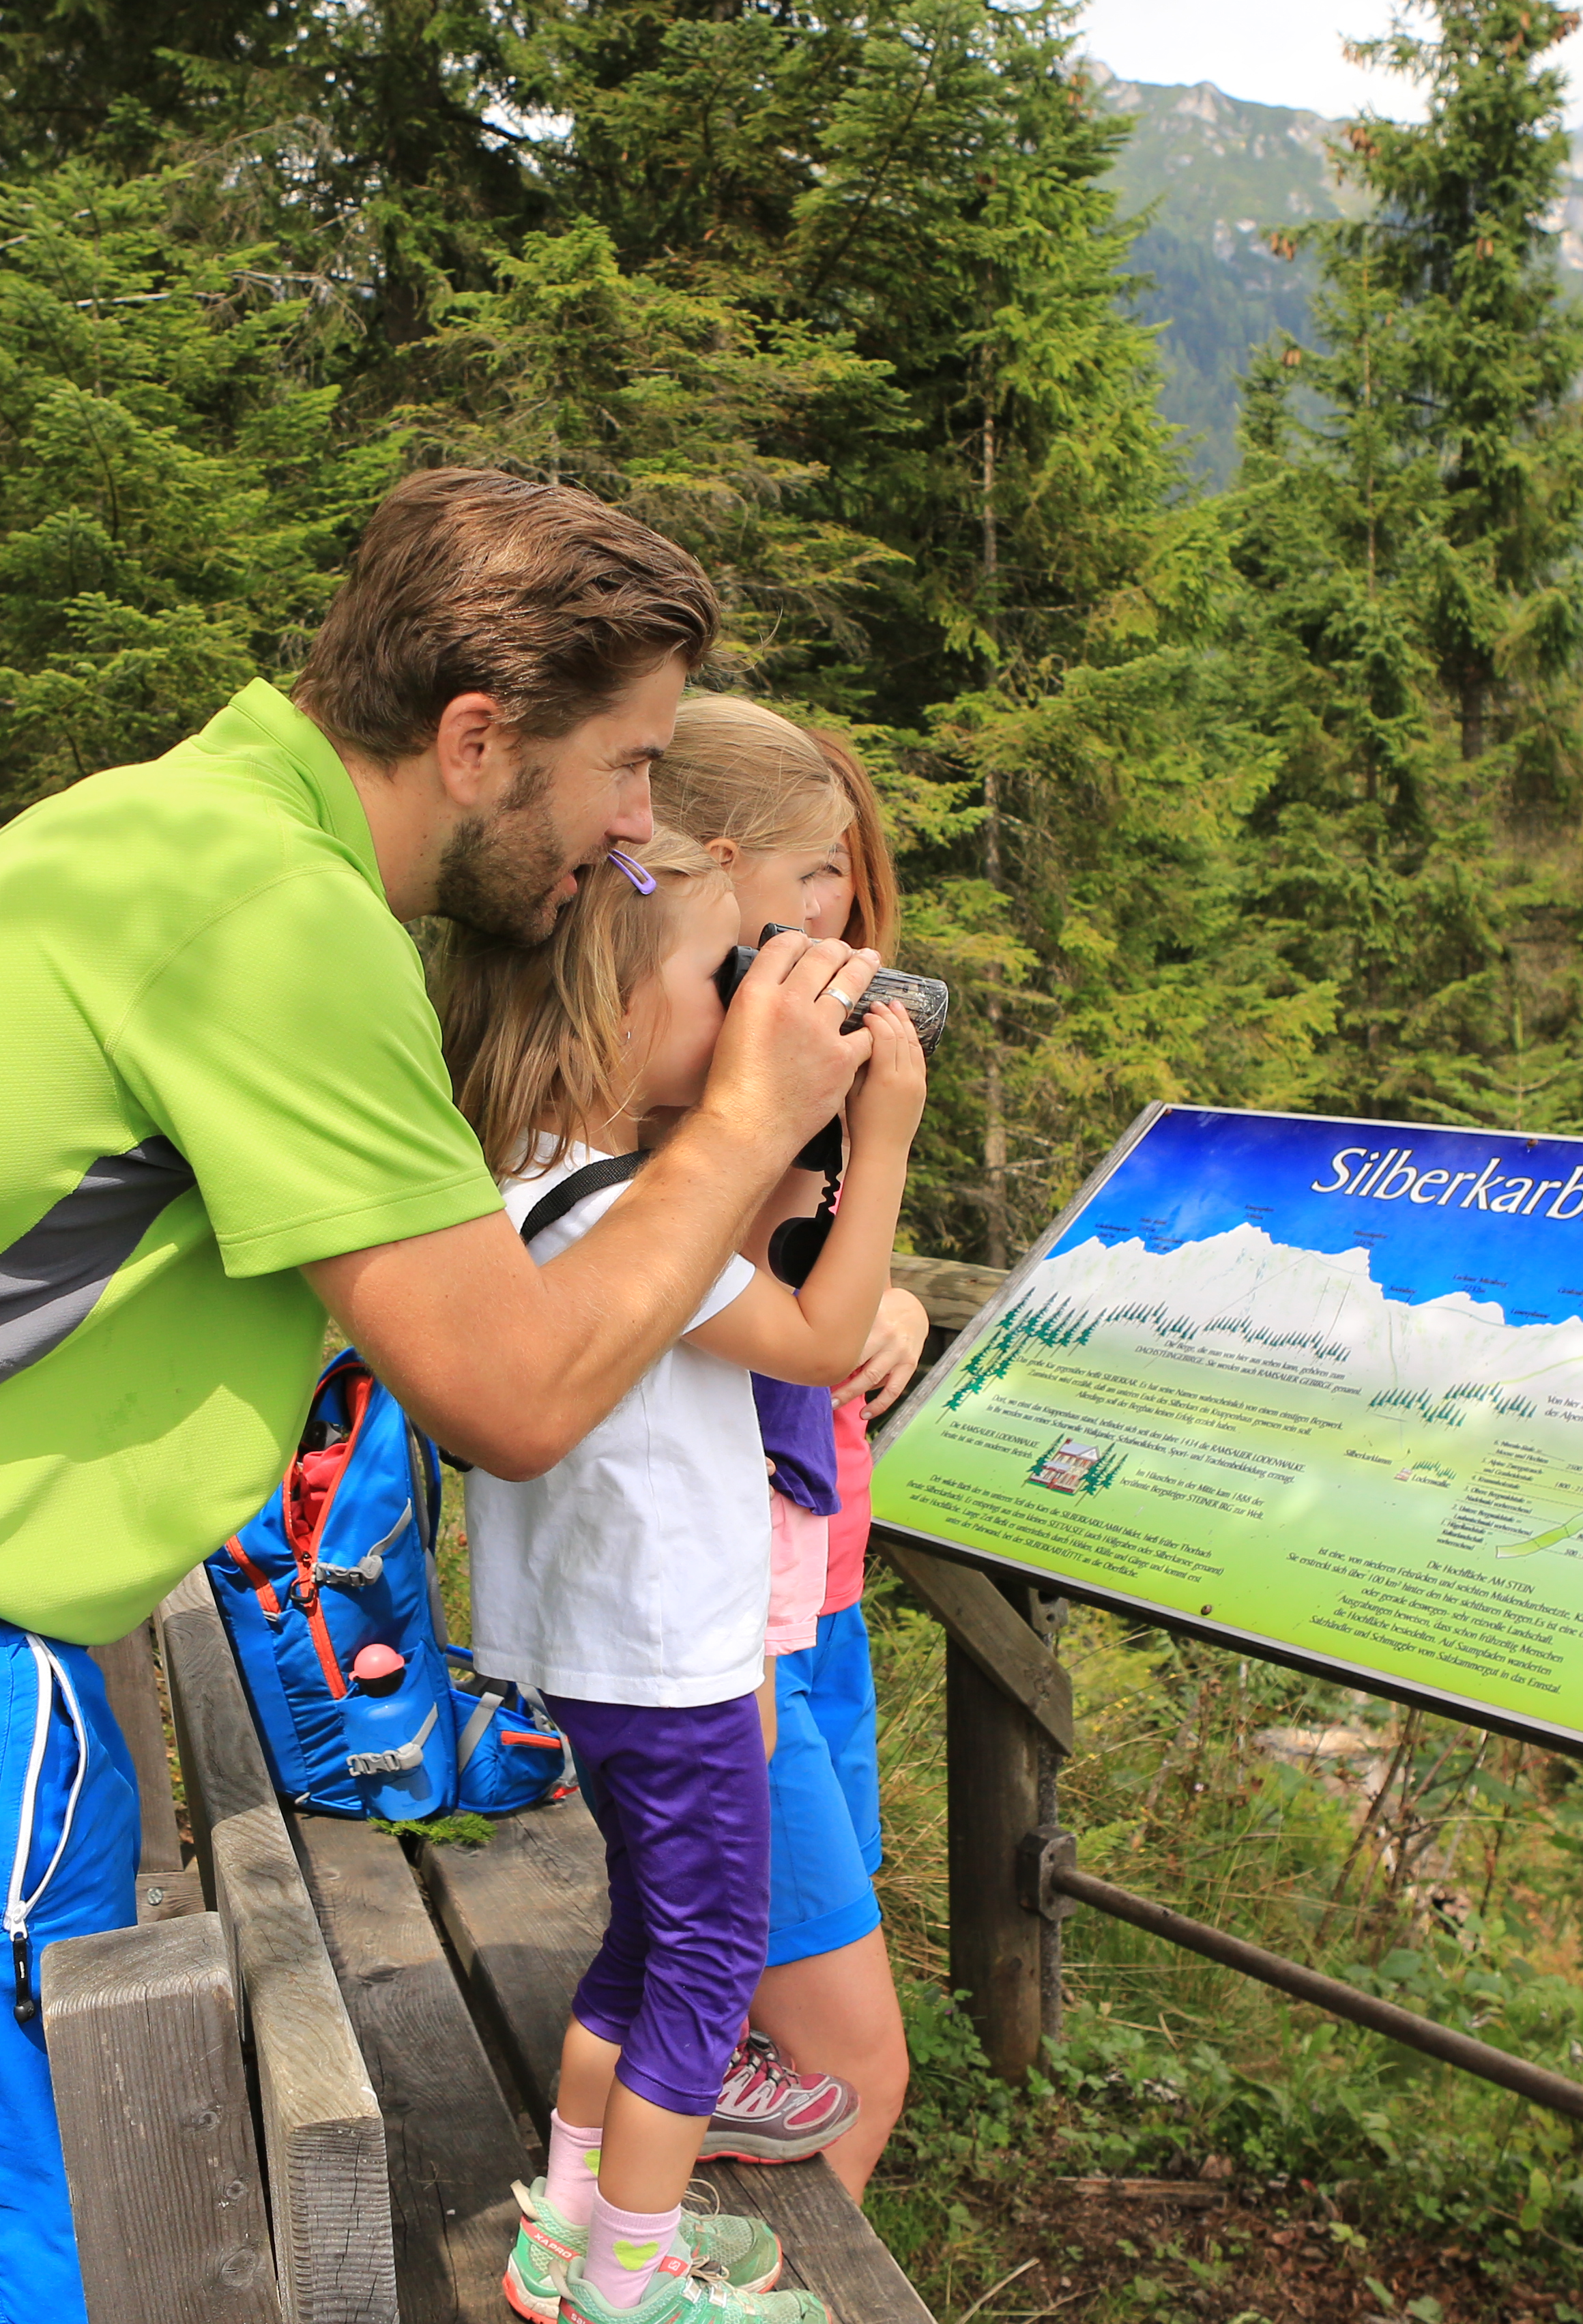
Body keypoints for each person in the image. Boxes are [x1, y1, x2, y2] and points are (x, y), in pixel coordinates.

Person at [0, 467, 892, 2324]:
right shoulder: (268, 914)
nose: (640, 826)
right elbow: (513, 1389)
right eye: (628, 767)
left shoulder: (165, 840)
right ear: (477, 735)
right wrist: (754, 1118)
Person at [434, 828, 926, 2324]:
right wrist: (882, 1134)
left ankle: (569, 2227)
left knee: (647, 1939)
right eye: (726, 979)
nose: (753, 1005)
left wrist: (763, 1146)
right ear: (621, 1020)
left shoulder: (534, 1179)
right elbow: (826, 1339)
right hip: (674, 1653)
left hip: (598, 1646)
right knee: (708, 1975)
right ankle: (631, 2284)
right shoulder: (632, 1217)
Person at [650, 700, 920, 2199]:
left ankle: (638, 2259)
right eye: (819, 875)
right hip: (732, 1627)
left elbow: (812, 1299)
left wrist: (901, 1288)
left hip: (812, 1598)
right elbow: (758, 1321)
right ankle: (662, 2274)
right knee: (849, 2067)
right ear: (726, 861)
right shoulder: (674, 1104)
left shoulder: (755, 1082)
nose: (840, 918)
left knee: (754, 2043)